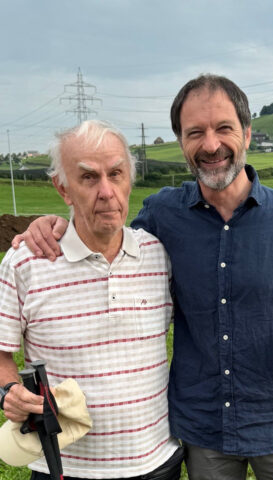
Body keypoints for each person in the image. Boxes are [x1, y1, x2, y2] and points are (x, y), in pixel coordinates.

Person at [13, 75, 273, 480]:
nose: (211, 145)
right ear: (182, 143)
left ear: (246, 133)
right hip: (203, 426)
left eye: (223, 128)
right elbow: (108, 233)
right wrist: (56, 224)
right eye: (195, 132)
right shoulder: (161, 215)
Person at [0, 120, 183, 480]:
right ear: (62, 187)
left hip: (157, 462)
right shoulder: (25, 264)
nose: (106, 191)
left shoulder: (160, 256)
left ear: (130, 177)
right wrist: (8, 390)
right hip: (65, 467)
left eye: (116, 174)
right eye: (87, 178)